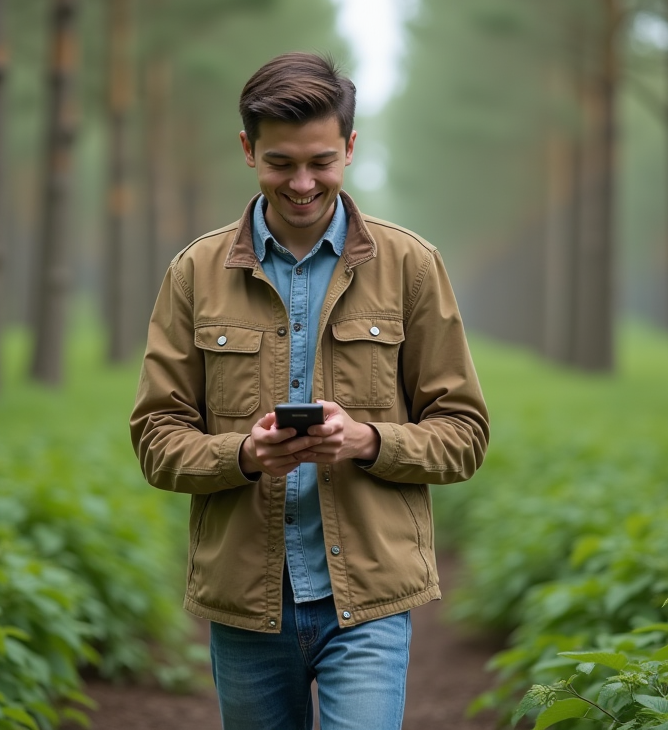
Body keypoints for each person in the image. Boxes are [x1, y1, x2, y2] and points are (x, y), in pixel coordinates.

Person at [129, 51, 489, 730]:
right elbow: (155, 437)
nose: (301, 183)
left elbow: (465, 433)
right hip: (246, 600)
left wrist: (366, 440)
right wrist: (241, 455)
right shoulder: (194, 272)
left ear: (350, 148)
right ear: (247, 150)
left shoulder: (411, 266)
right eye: (280, 162)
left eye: (320, 161)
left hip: (372, 599)